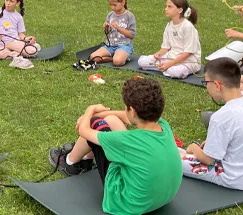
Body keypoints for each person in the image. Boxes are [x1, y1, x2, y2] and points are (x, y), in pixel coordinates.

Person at [48, 77, 182, 215]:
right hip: (160, 198)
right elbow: (124, 116)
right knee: (111, 120)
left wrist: (90, 111)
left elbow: (84, 130)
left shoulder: (125, 141)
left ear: (133, 111)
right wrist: (101, 114)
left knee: (95, 123)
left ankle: (70, 162)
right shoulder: (163, 125)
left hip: (125, 204)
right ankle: (86, 159)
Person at [180, 58, 243, 190]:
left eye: (206, 82)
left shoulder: (221, 117)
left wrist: (194, 149)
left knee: (175, 160)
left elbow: (209, 160)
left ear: (217, 85)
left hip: (237, 179)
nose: (206, 86)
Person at [138, 0, 201, 78]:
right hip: (171, 57)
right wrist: (158, 54)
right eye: (166, 6)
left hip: (189, 61)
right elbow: (165, 47)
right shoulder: (169, 25)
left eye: (169, 6)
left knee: (174, 72)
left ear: (180, 10)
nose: (166, 9)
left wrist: (170, 64)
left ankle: (166, 67)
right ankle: (164, 67)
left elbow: (188, 52)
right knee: (142, 62)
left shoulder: (187, 26)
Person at [0, 0, 41, 69]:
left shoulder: (18, 17)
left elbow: (21, 34)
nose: (8, 3)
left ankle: (15, 53)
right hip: (1, 44)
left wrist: (27, 39)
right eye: (6, 0)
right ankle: (17, 56)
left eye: (11, 1)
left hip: (14, 42)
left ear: (17, 3)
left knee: (33, 51)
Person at [89, 0, 136, 66]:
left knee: (117, 62)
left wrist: (118, 27)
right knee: (93, 57)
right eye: (110, 5)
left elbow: (132, 35)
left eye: (114, 5)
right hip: (110, 45)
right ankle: (113, 58)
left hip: (124, 45)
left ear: (123, 3)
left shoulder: (129, 16)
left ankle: (120, 57)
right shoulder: (110, 15)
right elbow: (108, 33)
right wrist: (106, 27)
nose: (112, 7)